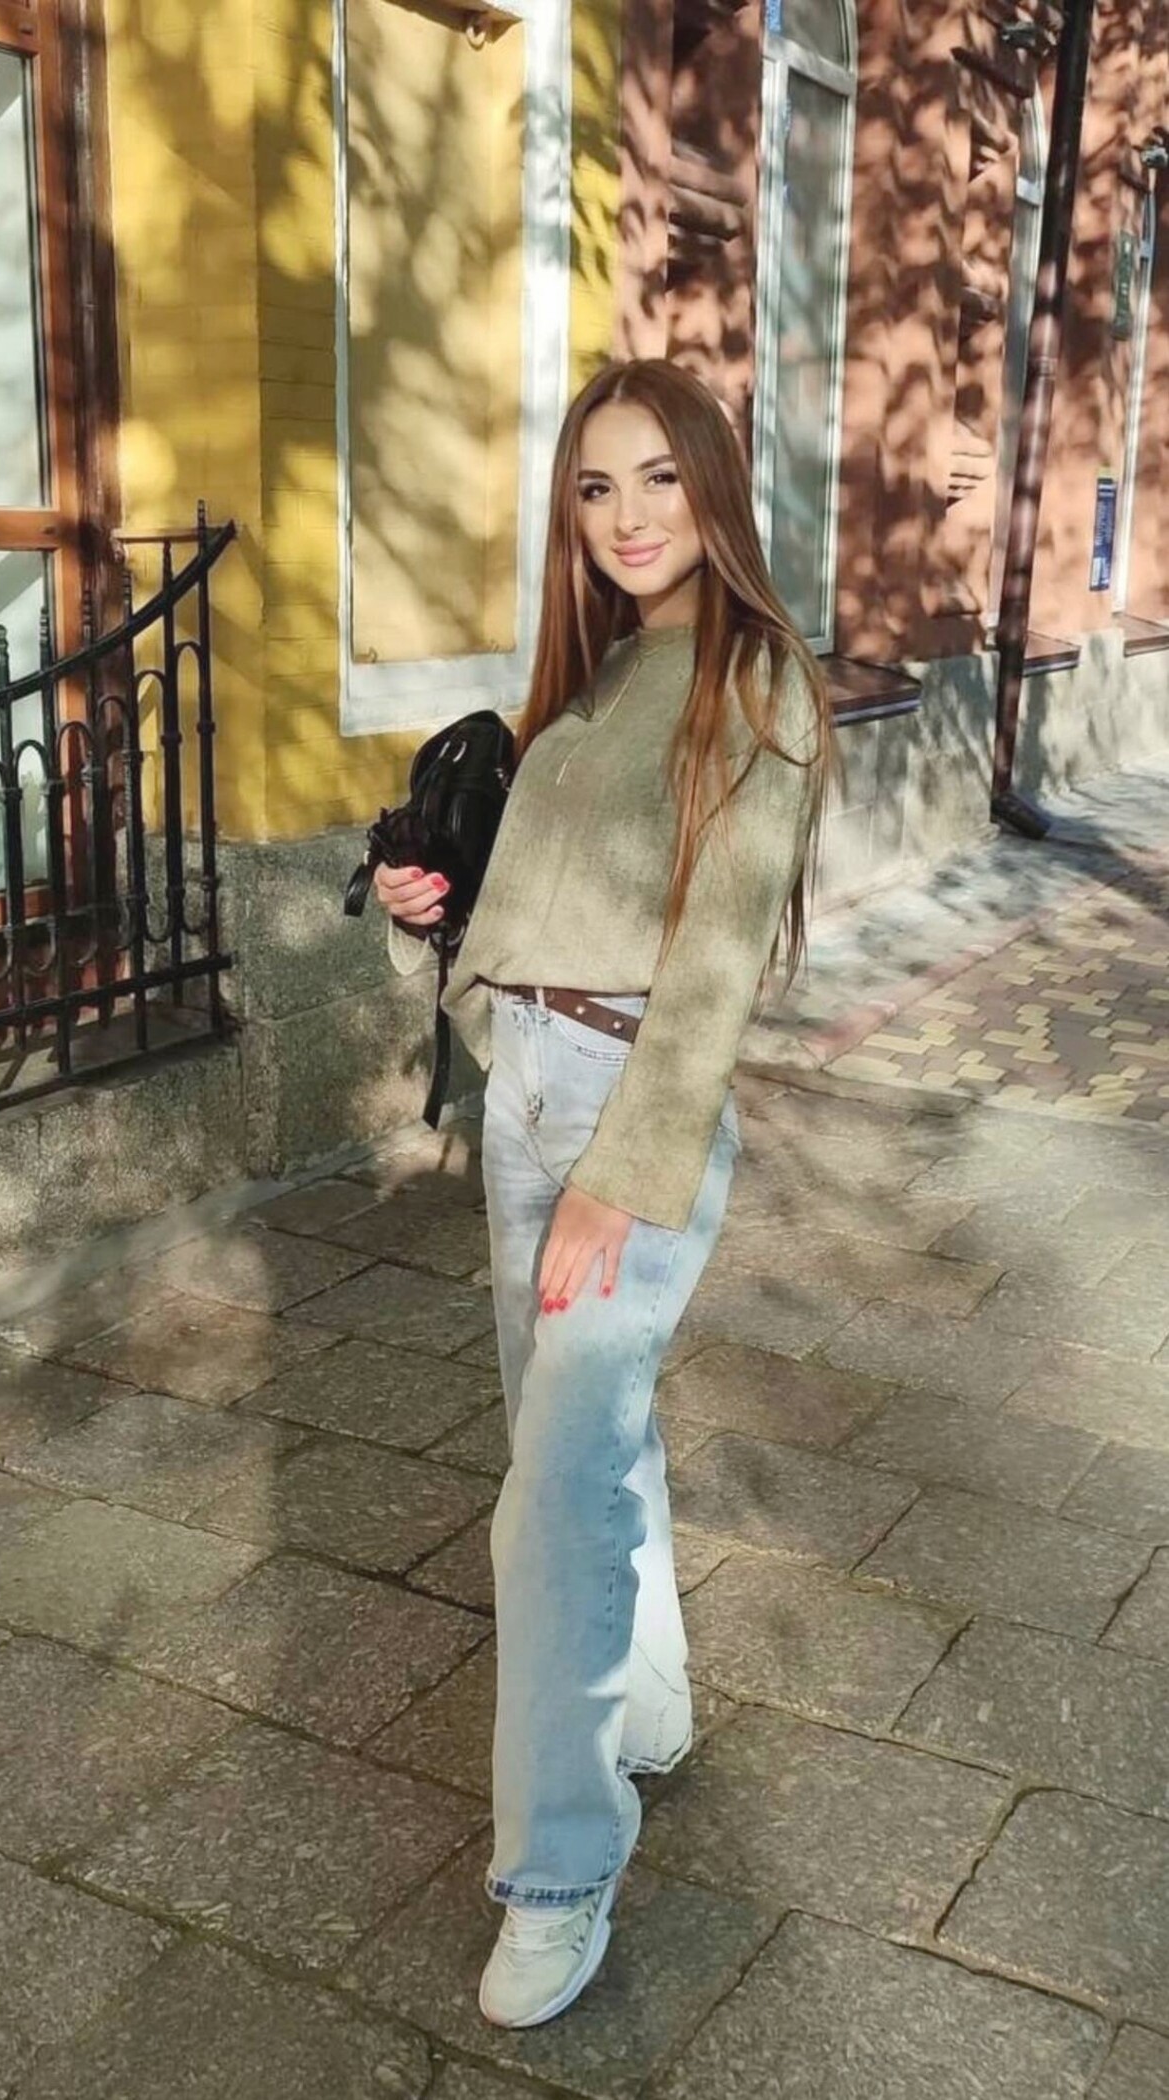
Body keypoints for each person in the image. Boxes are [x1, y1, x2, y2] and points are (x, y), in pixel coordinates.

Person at [373, 357, 831, 2030]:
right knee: (577, 1437)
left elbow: (713, 966)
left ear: (711, 486)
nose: (627, 516)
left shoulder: (752, 678)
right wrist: (435, 921)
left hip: (631, 1110)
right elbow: (537, 910)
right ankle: (642, 1701)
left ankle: (558, 1872)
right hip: (529, 1087)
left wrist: (620, 1180)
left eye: (657, 477)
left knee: (550, 1497)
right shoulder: (592, 680)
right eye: (593, 487)